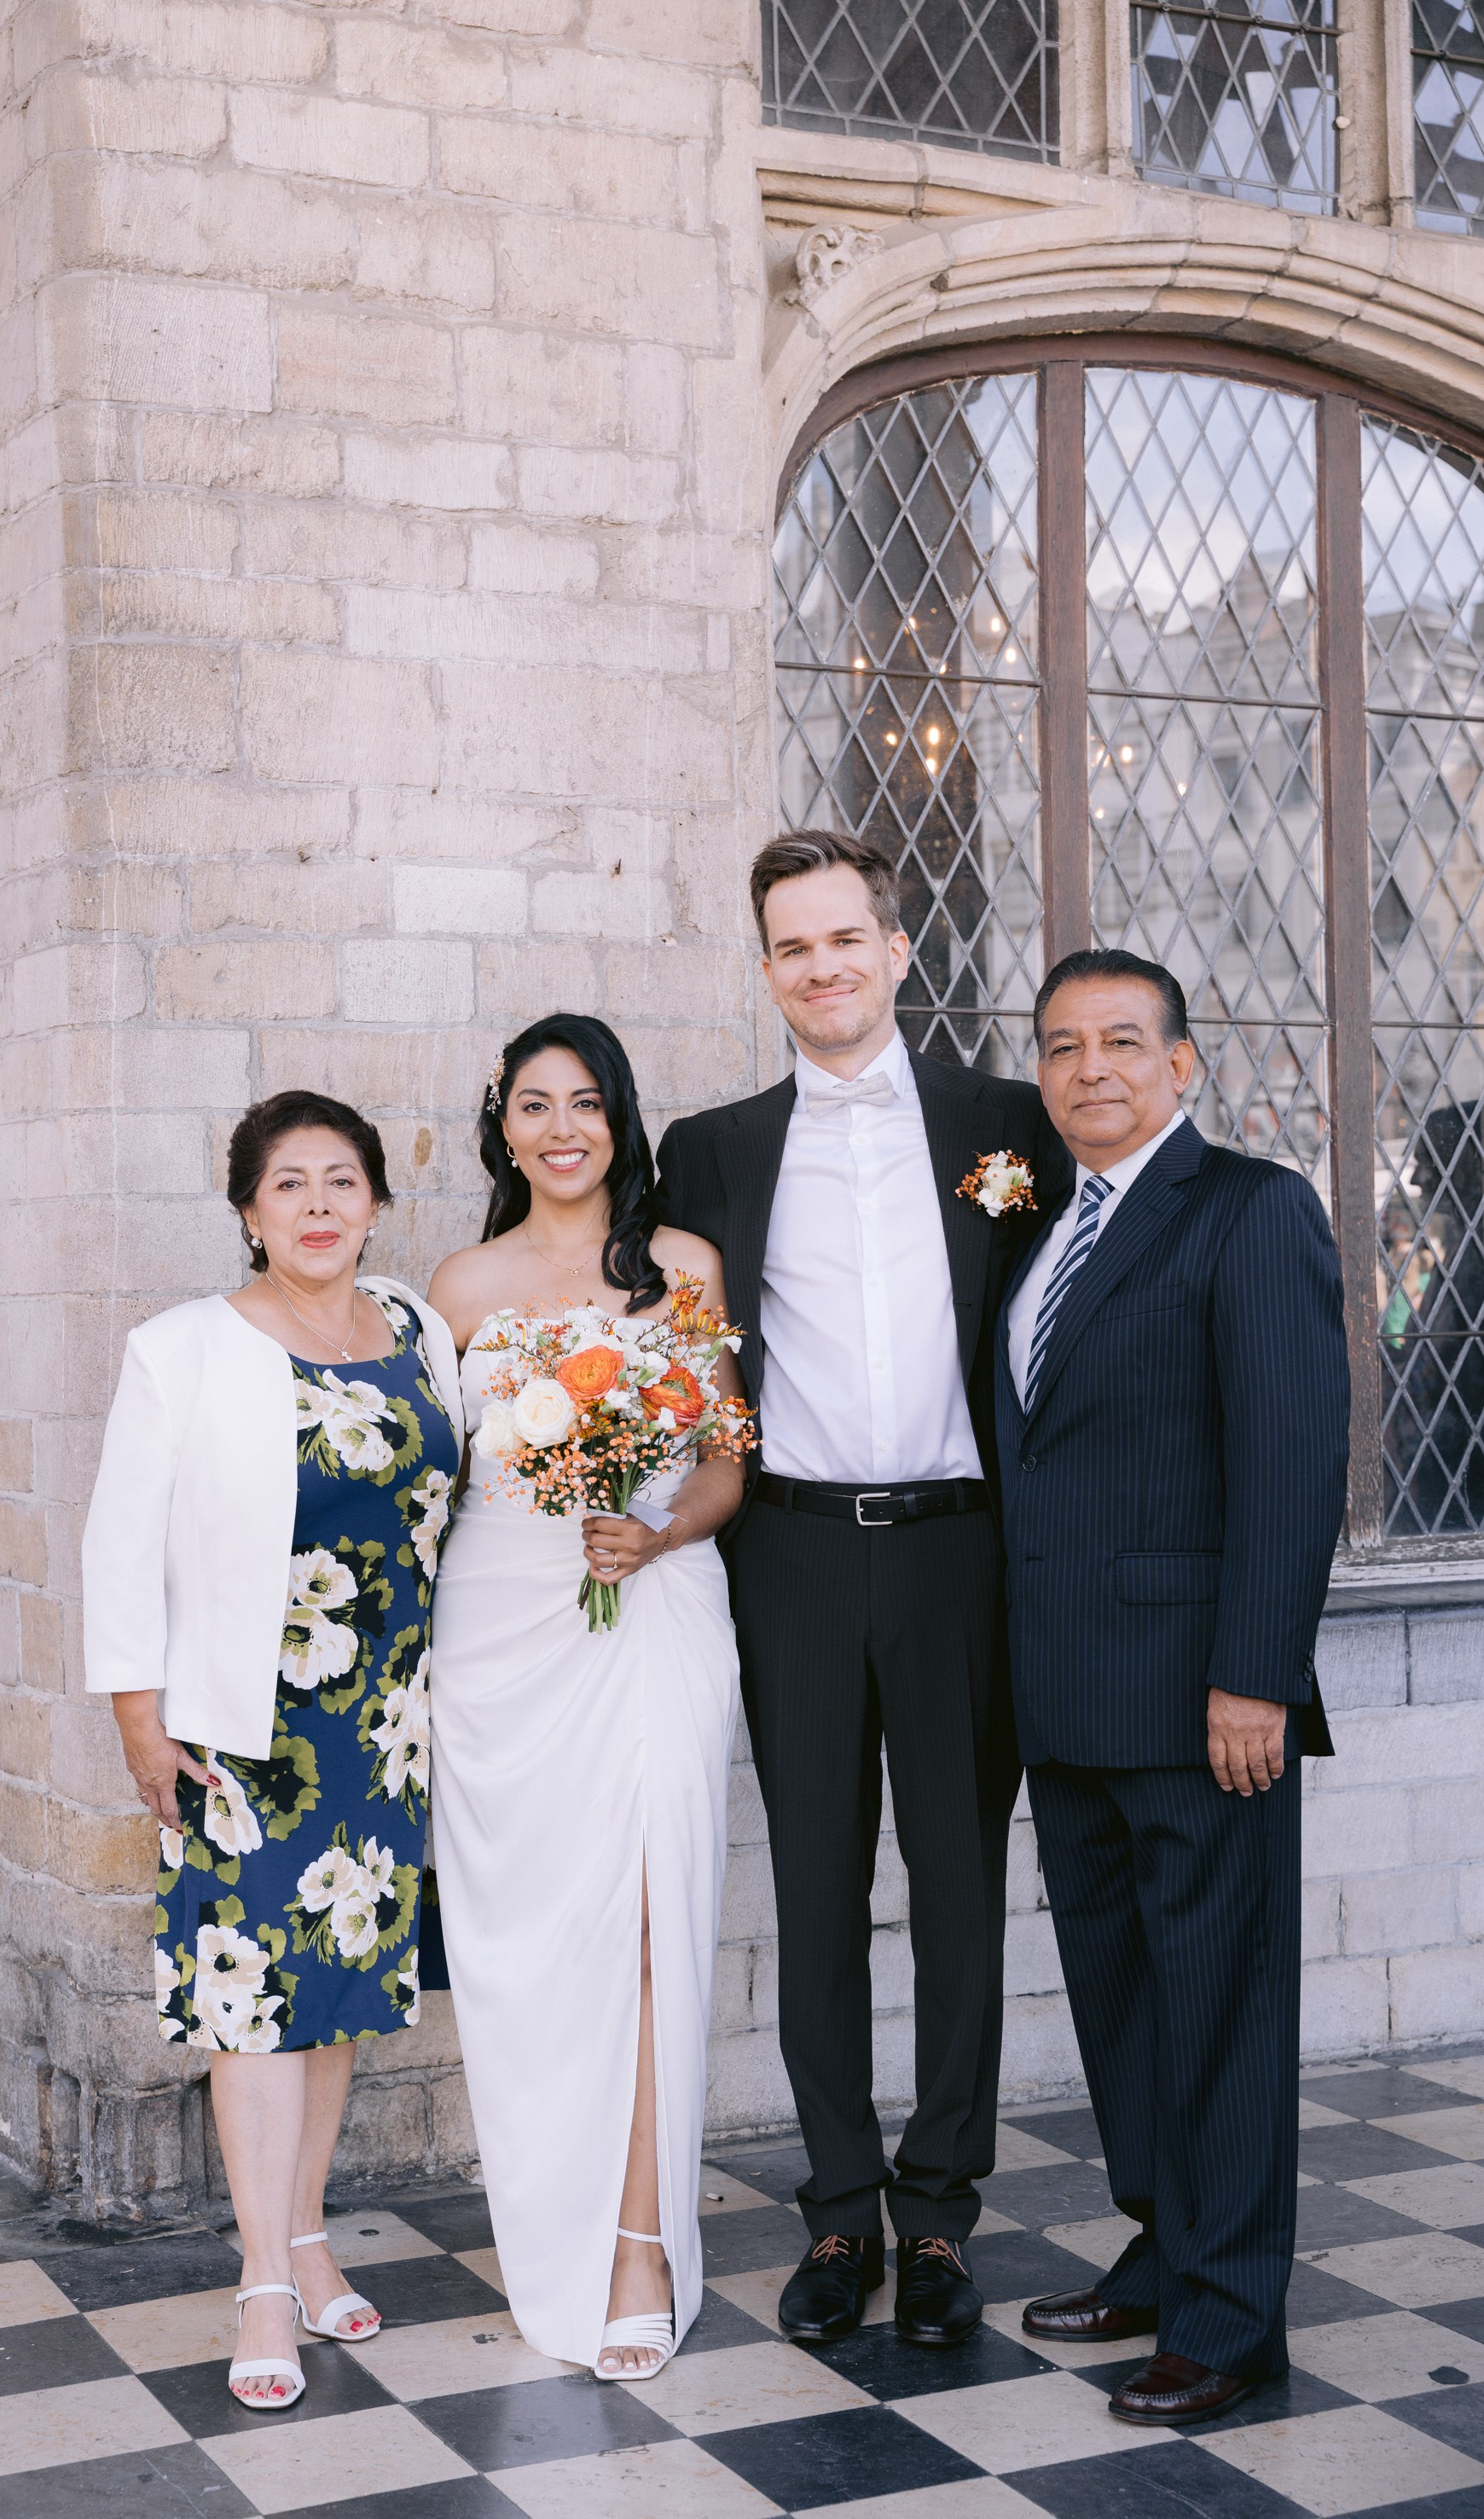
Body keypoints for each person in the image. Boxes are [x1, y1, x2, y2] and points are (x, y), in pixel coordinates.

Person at [656, 830, 1070, 2348]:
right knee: (817, 1887)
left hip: (965, 1548)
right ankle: (838, 2210)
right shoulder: (710, 1146)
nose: (820, 967)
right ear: (764, 969)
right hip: (796, 1551)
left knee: (959, 1893)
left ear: (897, 952)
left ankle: (940, 2214)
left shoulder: (1004, 1122)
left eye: (845, 938)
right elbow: (664, 1340)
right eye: (790, 946)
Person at [1003, 949, 1348, 2424]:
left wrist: (1253, 1677)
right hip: (1066, 1696)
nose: (1094, 1067)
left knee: (1216, 2006)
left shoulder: (1249, 1209)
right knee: (1123, 2001)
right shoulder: (1039, 1226)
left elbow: (1291, 1457)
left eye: (1124, 1041)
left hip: (1203, 1699)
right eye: (1065, 1045)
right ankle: (1163, 2245)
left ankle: (1228, 2315)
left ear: (1183, 1063)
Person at [83, 1089, 462, 2413]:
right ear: (247, 1210)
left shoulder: (415, 1328)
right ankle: (257, 2277)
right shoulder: (183, 1346)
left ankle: (305, 2233)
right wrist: (141, 1712)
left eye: (341, 1180)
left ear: (374, 1201)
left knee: (346, 1982)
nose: (317, 1204)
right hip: (247, 1724)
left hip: (388, 1719)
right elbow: (121, 1538)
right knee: (255, 1995)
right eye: (289, 1184)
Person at [427, 1014, 745, 2380]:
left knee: (649, 1915)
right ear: (501, 1124)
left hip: (656, 1607)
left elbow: (730, 1462)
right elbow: (429, 1487)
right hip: (506, 1626)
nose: (562, 1129)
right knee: (540, 1939)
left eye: (588, 1103)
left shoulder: (681, 1268)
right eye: (534, 1105)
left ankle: (638, 2239)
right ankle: (547, 2216)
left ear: (621, 1118)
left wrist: (658, 1531)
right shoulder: (457, 1285)